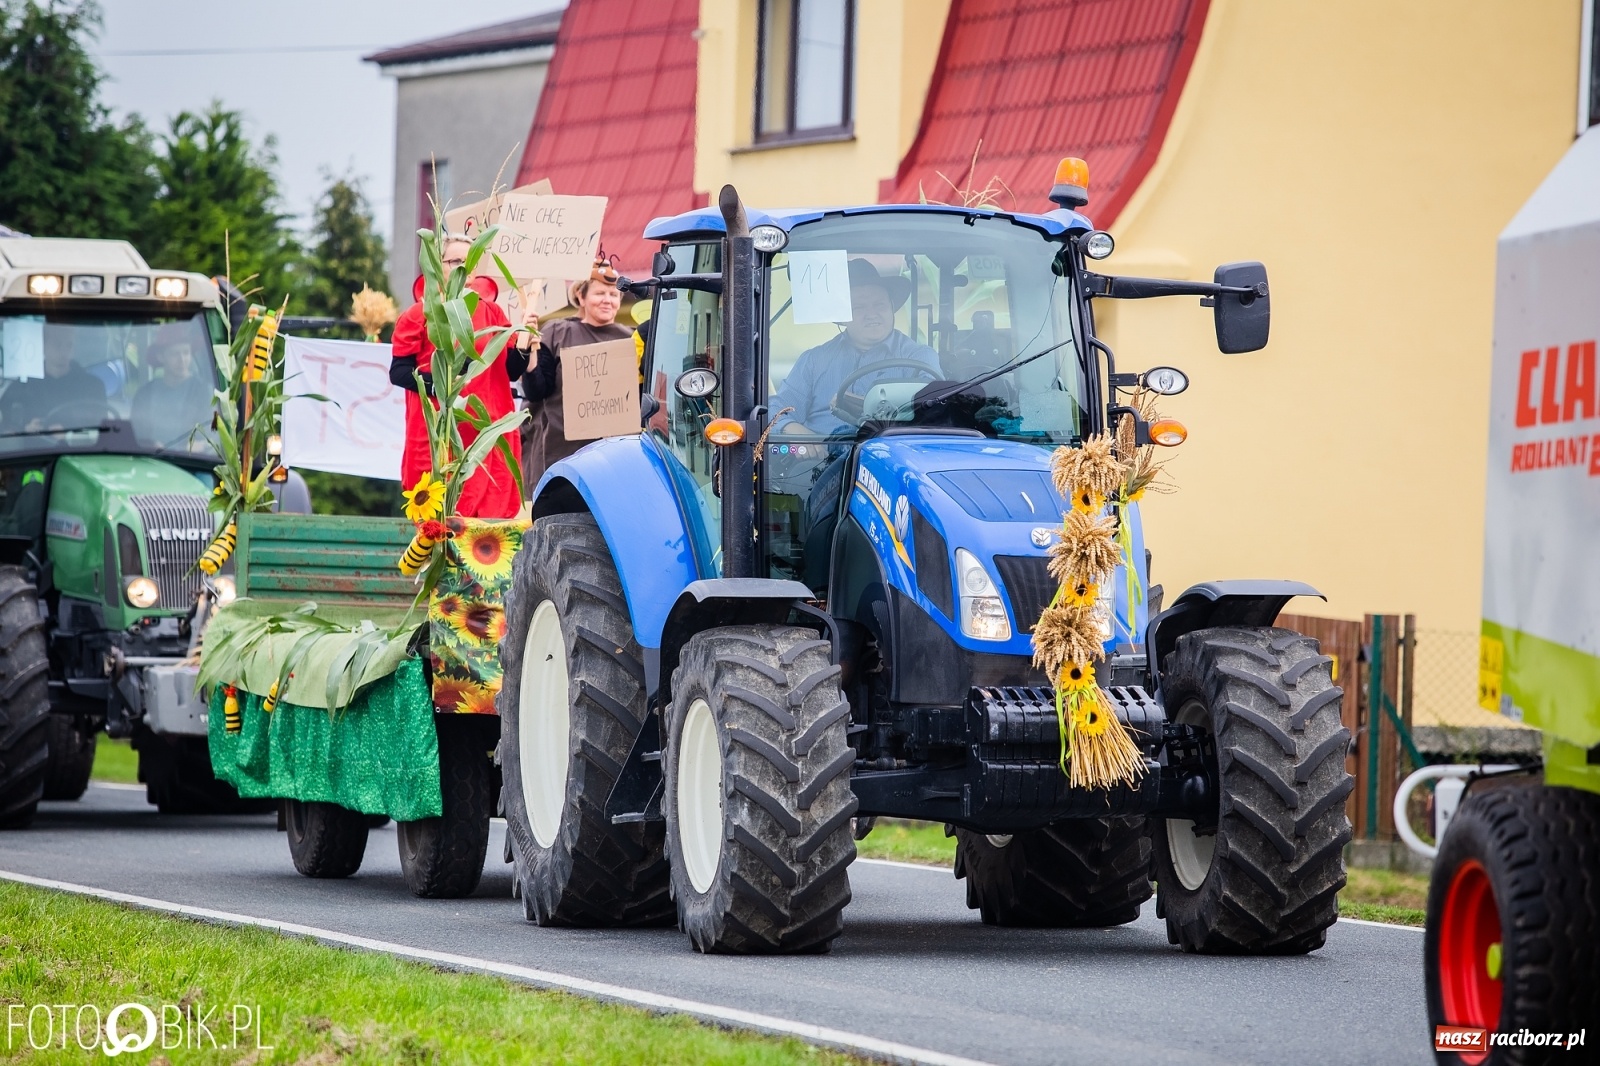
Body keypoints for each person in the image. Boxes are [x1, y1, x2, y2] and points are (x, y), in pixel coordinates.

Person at [388, 237, 532, 520]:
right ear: (437, 267)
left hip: (484, 438)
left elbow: (512, 370)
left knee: (485, 540)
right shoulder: (419, 314)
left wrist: (525, 336)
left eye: (469, 262)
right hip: (438, 440)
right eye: (454, 262)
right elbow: (399, 372)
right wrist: (444, 384)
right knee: (437, 526)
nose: (462, 269)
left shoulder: (492, 313)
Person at [770, 258, 939, 436]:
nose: (871, 314)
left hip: (889, 456)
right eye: (859, 307)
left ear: (892, 307)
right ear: (842, 315)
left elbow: (934, 409)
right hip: (820, 460)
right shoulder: (814, 360)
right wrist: (797, 431)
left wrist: (861, 407)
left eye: (879, 305)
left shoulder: (919, 358)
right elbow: (775, 410)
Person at [520, 257, 631, 485]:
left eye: (613, 295)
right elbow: (536, 390)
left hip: (614, 454)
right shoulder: (558, 332)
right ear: (581, 297)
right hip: (561, 450)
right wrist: (530, 350)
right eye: (600, 294)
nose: (607, 301)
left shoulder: (631, 338)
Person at [0, 326, 106, 433]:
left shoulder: (92, 386)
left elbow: (101, 430)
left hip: (80, 449)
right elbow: (8, 428)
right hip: (36, 448)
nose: (64, 351)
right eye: (57, 345)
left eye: (69, 345)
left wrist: (70, 435)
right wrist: (26, 429)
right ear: (43, 347)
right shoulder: (22, 387)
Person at [131, 325, 213, 447]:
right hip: (151, 460)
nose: (182, 360)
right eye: (175, 354)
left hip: (191, 461)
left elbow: (215, 430)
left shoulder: (203, 391)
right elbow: (136, 433)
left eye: (186, 353)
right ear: (161, 357)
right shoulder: (145, 394)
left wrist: (202, 444)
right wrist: (151, 444)